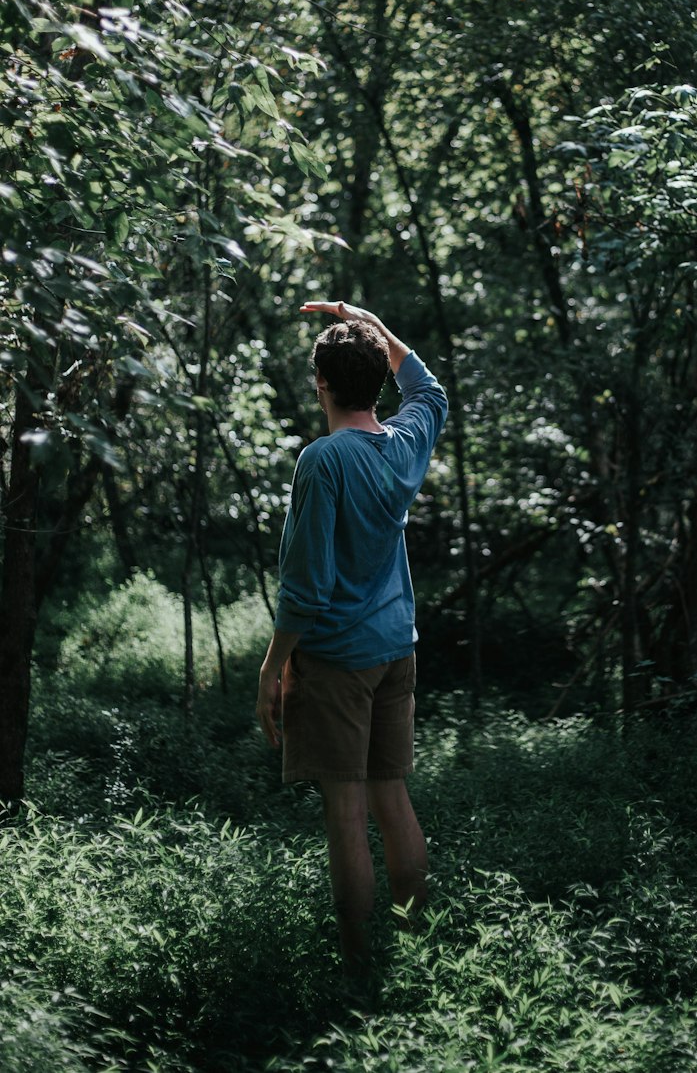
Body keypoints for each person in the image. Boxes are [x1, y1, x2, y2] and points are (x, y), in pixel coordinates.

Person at [256, 299, 447, 979]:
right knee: (391, 799)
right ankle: (412, 939)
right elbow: (430, 390)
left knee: (346, 816)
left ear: (322, 384)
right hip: (397, 648)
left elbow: (305, 585)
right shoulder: (405, 440)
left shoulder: (324, 460)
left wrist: (273, 667)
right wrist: (374, 325)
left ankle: (361, 963)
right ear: (376, 380)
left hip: (336, 659)